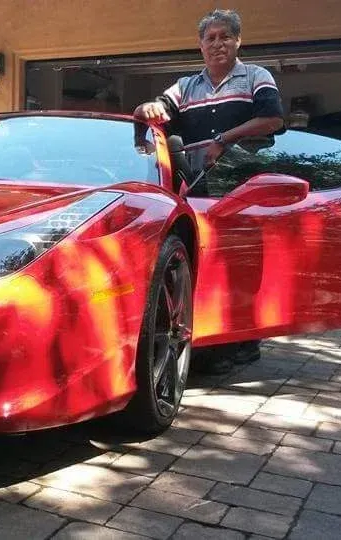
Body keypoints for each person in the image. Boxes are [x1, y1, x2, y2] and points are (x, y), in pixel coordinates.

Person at [134, 9, 285, 374]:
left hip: (247, 189)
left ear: (238, 41)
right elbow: (146, 114)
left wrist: (223, 139)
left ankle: (245, 343)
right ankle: (208, 338)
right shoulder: (185, 87)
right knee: (210, 265)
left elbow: (274, 120)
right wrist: (148, 107)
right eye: (210, 38)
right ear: (200, 46)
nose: (217, 43)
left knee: (243, 266)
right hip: (200, 190)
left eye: (225, 36)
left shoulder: (256, 77)